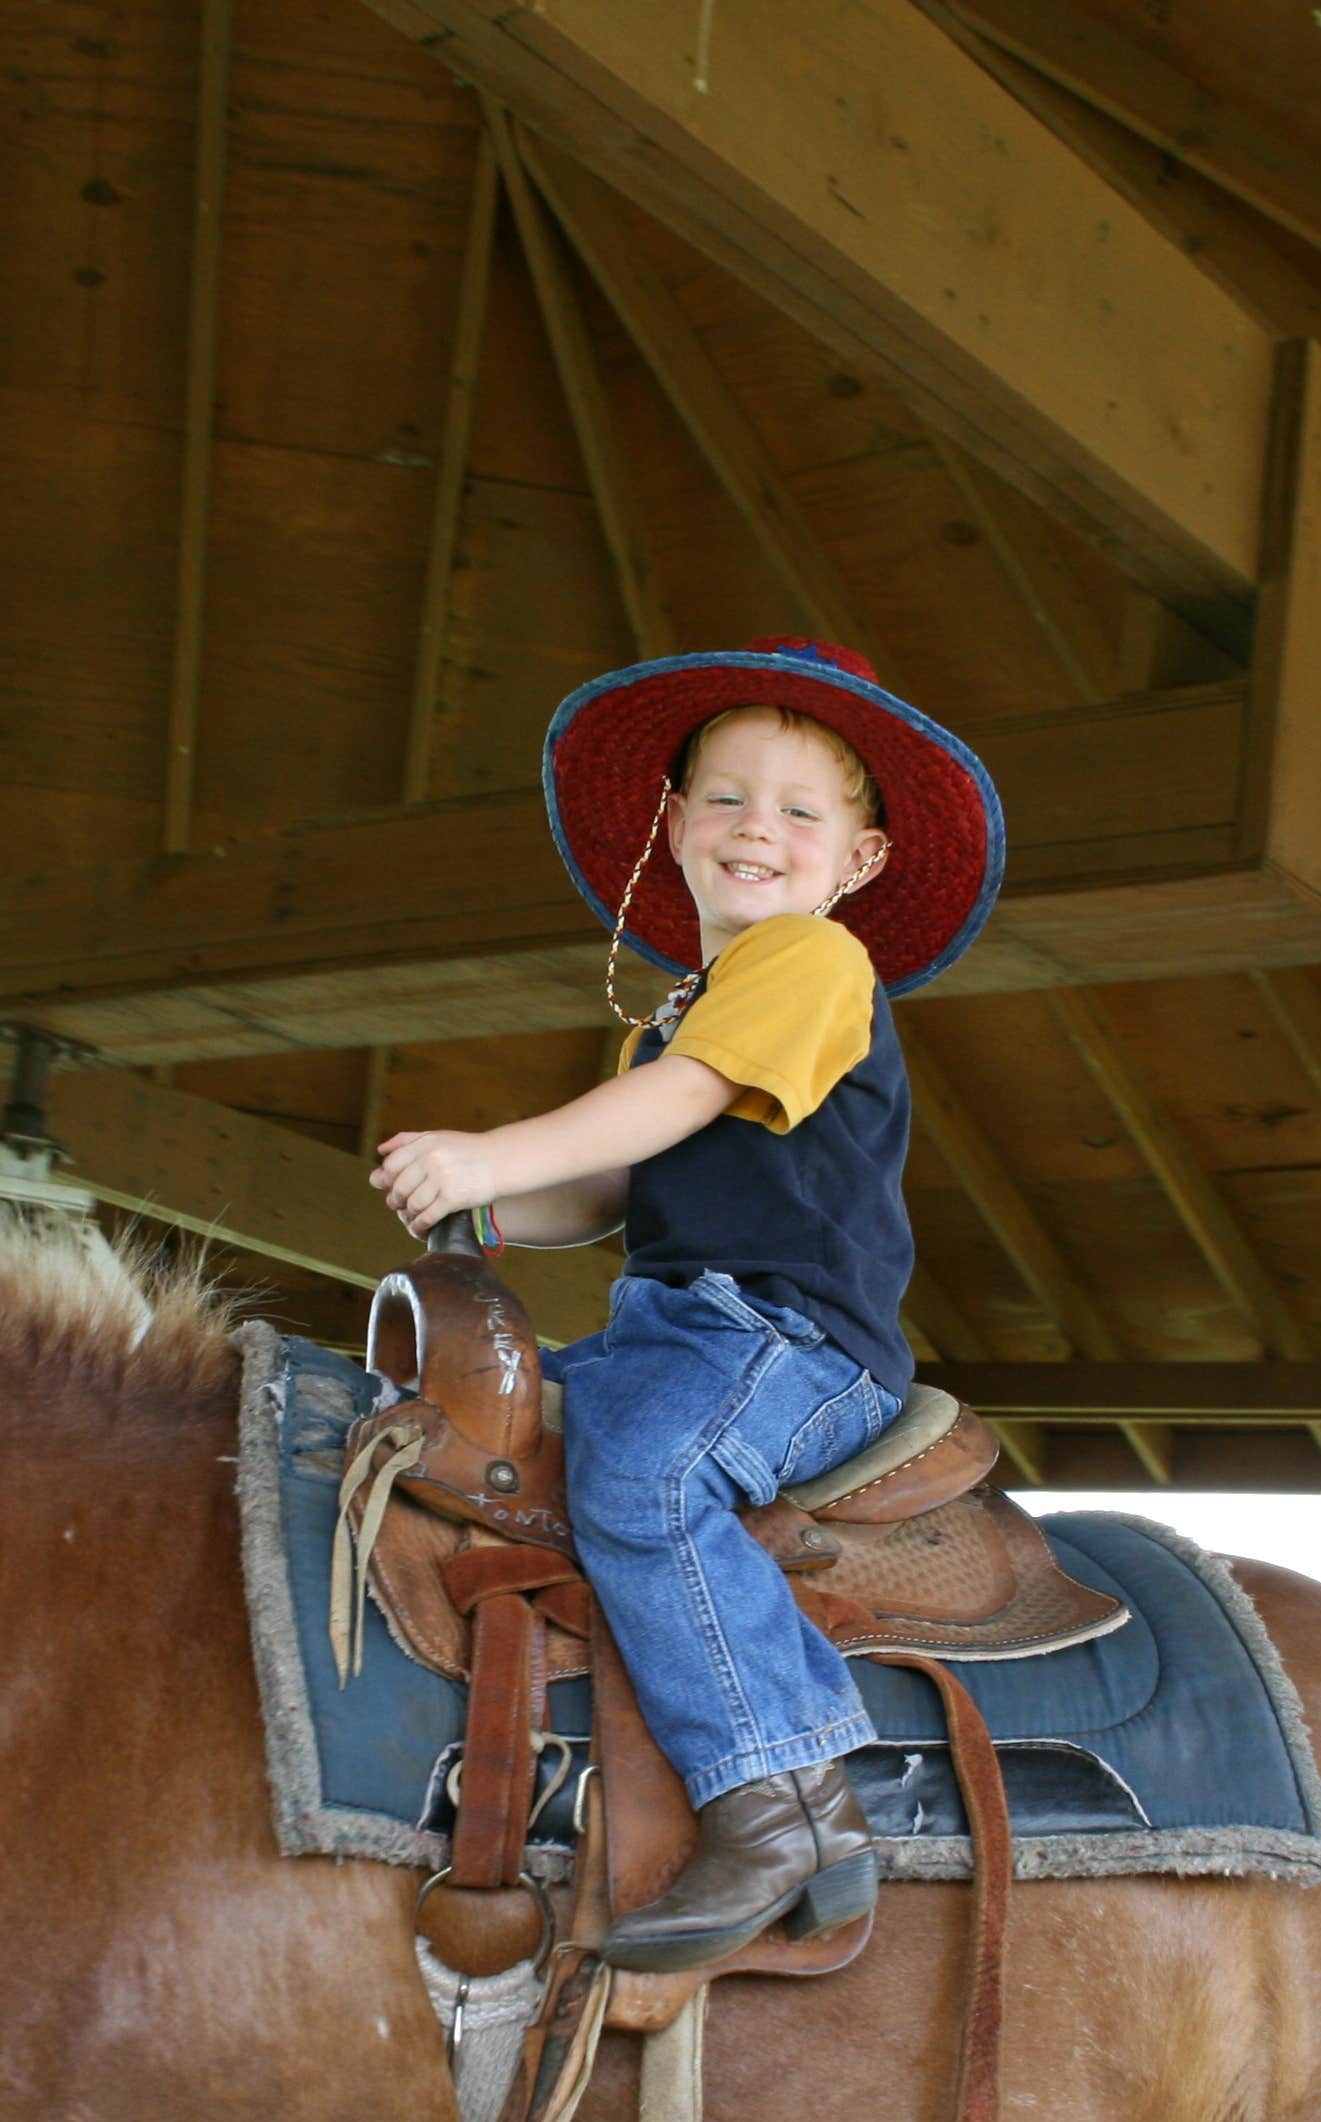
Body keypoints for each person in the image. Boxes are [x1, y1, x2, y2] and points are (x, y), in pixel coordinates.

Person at [368, 638, 1002, 1974]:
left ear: (859, 862)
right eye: (722, 797)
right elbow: (603, 1183)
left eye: (797, 809)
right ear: (671, 824)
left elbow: (682, 1102)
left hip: (790, 1341)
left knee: (647, 1481)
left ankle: (784, 1796)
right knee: (467, 1441)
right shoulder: (682, 1014)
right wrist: (481, 1208)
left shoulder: (814, 967)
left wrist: (495, 1153)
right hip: (672, 1333)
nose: (753, 829)